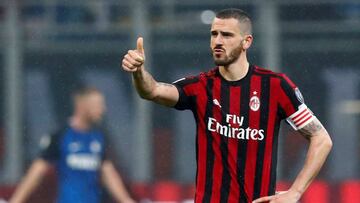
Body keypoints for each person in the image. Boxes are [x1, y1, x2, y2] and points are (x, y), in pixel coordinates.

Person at [121, 8, 332, 203]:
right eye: (214, 34)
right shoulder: (201, 86)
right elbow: (152, 90)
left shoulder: (275, 86)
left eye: (227, 35)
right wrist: (139, 72)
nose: (218, 41)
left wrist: (295, 192)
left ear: (246, 42)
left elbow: (321, 139)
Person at [10, 87, 135, 203]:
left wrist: (127, 201)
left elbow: (108, 173)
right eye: (98, 105)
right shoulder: (60, 136)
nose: (103, 110)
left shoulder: (99, 138)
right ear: (83, 106)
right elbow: (36, 173)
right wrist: (15, 201)